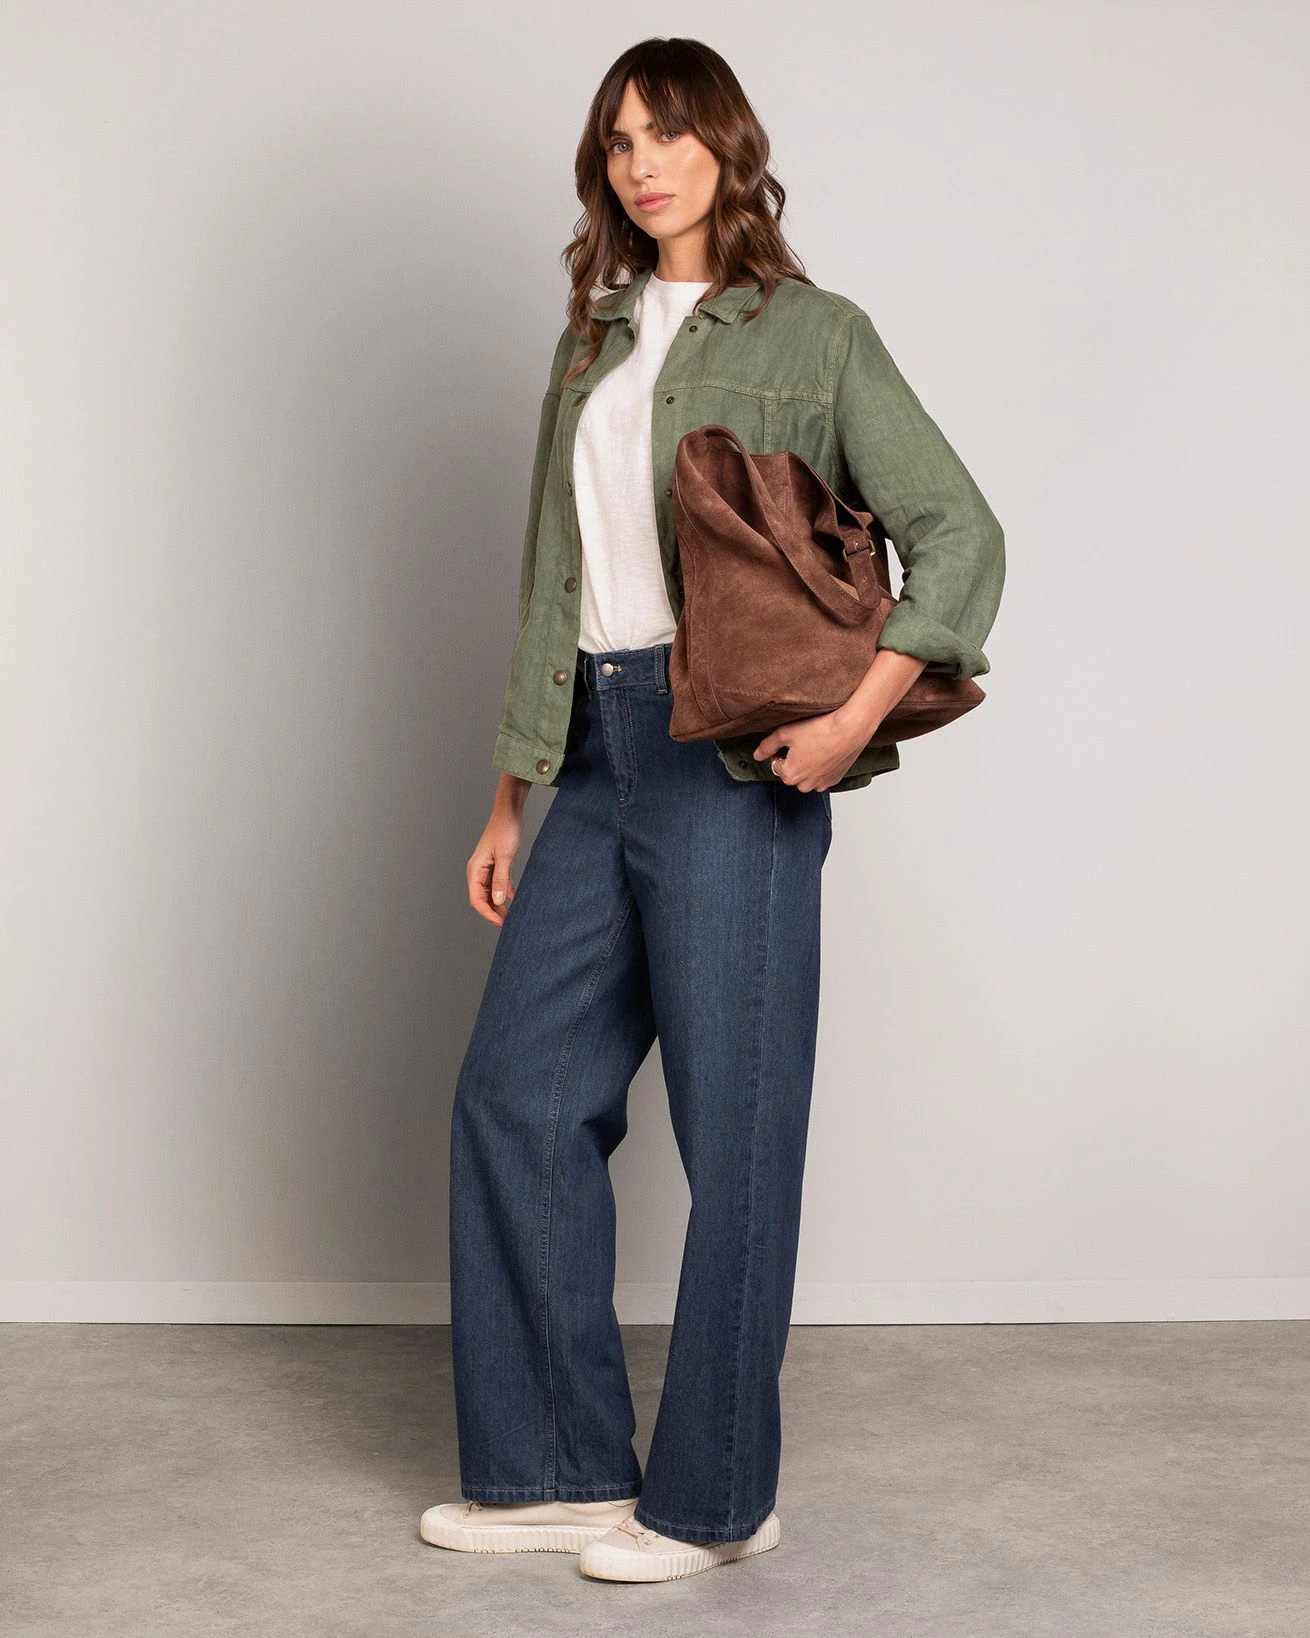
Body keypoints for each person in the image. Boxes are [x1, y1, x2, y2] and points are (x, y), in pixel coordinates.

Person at [420, 37, 1005, 1584]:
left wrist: (852, 716)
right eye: (617, 142)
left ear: (725, 147)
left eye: (668, 133)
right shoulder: (591, 347)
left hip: (729, 761)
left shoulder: (815, 336)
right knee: (516, 1098)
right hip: (592, 753)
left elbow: (958, 534)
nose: (642, 164)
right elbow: (553, 584)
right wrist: (510, 793)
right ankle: (556, 1464)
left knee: (733, 1129)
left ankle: (715, 1495)